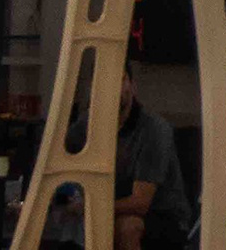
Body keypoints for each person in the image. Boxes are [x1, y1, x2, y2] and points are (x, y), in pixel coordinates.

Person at [54, 61, 191, 250]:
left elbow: (140, 203)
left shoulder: (154, 129)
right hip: (106, 208)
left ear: (132, 86)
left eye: (120, 79)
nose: (112, 86)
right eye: (104, 80)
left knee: (126, 227)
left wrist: (88, 207)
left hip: (161, 216)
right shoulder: (86, 125)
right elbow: (59, 158)